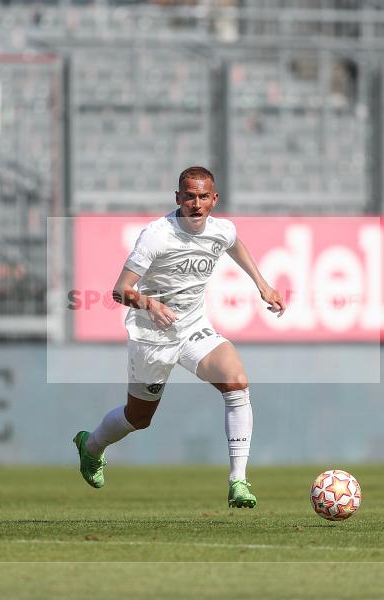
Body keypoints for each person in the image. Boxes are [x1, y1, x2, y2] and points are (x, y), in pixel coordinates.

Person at [73, 166, 285, 507]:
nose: (196, 204)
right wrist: (149, 304)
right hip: (152, 334)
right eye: (189, 196)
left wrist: (263, 285)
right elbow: (119, 290)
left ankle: (238, 482)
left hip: (193, 326)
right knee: (138, 418)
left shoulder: (221, 230)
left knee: (237, 383)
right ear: (178, 198)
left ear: (215, 199)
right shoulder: (157, 235)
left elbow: (235, 244)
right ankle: (91, 446)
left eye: (203, 197)